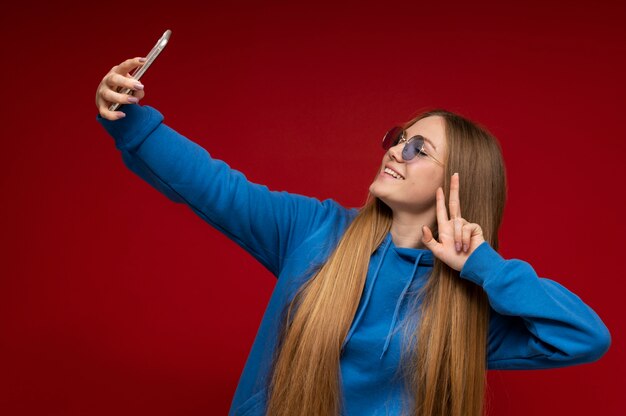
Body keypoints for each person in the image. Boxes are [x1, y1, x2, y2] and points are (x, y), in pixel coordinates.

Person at [95, 57, 611, 416]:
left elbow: (583, 337)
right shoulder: (313, 230)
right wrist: (126, 116)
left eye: (419, 150)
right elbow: (214, 187)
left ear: (458, 184)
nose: (395, 152)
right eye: (399, 139)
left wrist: (484, 266)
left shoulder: (465, 307)